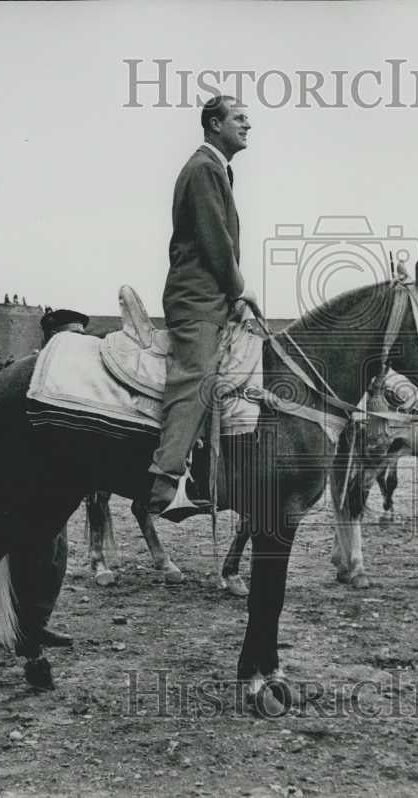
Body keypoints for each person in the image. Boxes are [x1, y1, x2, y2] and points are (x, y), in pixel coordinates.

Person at [149, 94, 252, 515]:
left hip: (211, 297)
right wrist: (239, 290)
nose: (247, 126)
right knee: (198, 376)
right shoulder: (205, 168)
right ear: (214, 124)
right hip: (197, 300)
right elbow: (216, 242)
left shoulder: (215, 169)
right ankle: (166, 477)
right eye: (239, 118)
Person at [8, 308, 92, 651]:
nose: (77, 345)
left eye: (82, 338)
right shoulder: (29, 373)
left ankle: (36, 622)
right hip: (28, 482)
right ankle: (18, 626)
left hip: (60, 484)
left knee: (56, 556)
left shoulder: (79, 377)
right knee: (28, 553)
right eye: (70, 337)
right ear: (51, 338)